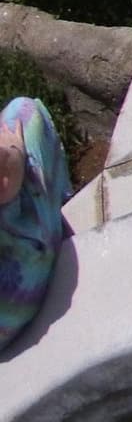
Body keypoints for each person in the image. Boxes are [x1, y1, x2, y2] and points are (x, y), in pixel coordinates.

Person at [1, 95, 70, 352]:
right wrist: (13, 153)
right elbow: (4, 181)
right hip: (13, 301)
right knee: (25, 112)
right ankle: (48, 226)